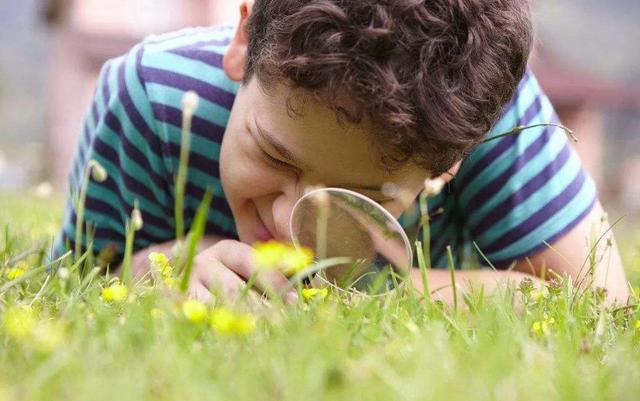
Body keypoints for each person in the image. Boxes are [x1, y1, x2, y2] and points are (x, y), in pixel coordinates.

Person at [53, 0, 629, 304]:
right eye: (275, 157)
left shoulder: (490, 117)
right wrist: (165, 267)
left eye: (360, 199)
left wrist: (366, 293)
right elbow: (74, 279)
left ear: (450, 163)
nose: (290, 224)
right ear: (243, 42)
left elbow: (600, 302)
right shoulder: (153, 96)